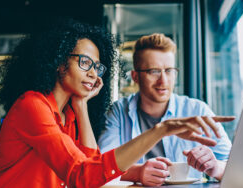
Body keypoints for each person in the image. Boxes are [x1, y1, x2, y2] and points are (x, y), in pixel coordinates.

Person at [0, 20, 234, 188]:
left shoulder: (68, 116)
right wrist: (161, 130)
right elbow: (83, 176)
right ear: (59, 63)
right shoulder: (33, 105)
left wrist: (81, 106)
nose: (94, 73)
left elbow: (92, 169)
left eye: (97, 66)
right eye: (85, 62)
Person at [98, 33, 233, 186]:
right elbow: (101, 167)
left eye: (169, 70)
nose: (163, 80)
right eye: (154, 71)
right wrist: (137, 173)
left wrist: (215, 168)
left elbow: (235, 166)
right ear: (135, 77)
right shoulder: (119, 111)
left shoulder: (197, 109)